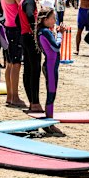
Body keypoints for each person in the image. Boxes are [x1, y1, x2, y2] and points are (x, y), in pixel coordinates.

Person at [36, 8, 66, 136]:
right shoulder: (45, 32)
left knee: (51, 93)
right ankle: (49, 123)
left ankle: (49, 121)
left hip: (49, 64)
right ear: (45, 20)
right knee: (51, 93)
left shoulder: (42, 31)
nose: (55, 21)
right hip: (50, 65)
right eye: (53, 18)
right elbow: (56, 46)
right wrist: (60, 34)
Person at [0, 0, 27, 108]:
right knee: (16, 64)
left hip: (7, 28)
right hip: (15, 30)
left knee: (9, 64)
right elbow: (24, 7)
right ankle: (14, 96)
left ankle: (10, 95)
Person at [19, 0, 43, 112]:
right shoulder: (30, 1)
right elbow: (29, 15)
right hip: (30, 37)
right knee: (34, 70)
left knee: (28, 69)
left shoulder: (23, 0)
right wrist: (36, 30)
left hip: (24, 36)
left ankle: (32, 101)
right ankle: (35, 102)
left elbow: (18, 19)